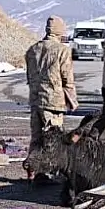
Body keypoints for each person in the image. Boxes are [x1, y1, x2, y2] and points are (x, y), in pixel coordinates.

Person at [25, 15, 77, 151]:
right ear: (60, 31)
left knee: (36, 139)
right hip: (53, 102)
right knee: (53, 140)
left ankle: (32, 169)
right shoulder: (62, 51)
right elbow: (67, 79)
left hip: (35, 100)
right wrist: (72, 101)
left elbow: (29, 77)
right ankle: (51, 170)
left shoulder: (32, 49)